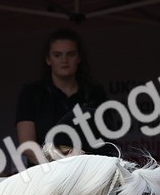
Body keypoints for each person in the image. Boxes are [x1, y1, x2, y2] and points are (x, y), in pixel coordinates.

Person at [15, 28, 108, 156]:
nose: (64, 60)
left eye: (70, 54)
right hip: (44, 170)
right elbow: (27, 144)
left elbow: (106, 137)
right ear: (48, 59)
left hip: (88, 168)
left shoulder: (95, 93)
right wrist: (55, 161)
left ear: (79, 58)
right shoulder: (31, 94)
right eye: (57, 55)